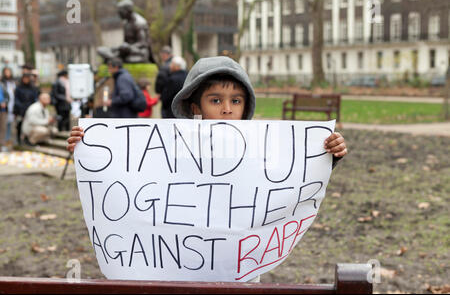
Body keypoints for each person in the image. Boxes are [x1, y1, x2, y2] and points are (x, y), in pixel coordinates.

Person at [66, 56, 348, 281]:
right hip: (174, 273)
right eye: (216, 100)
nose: (227, 109)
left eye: (236, 101)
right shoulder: (168, 149)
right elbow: (129, 182)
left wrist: (324, 156)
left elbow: (287, 182)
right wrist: (88, 150)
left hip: (238, 277)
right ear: (195, 108)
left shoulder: (258, 151)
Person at [13, 73, 40, 145]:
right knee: (19, 124)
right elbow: (16, 99)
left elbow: (35, 98)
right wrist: (21, 106)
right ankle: (18, 139)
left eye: (27, 78)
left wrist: (32, 106)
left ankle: (27, 139)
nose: (26, 80)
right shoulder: (19, 88)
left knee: (29, 125)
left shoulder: (33, 88)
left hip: (30, 110)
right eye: (24, 78)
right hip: (20, 110)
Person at [1, 67, 16, 148]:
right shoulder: (3, 83)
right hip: (4, 107)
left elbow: (10, 95)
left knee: (9, 123)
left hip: (10, 105)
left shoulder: (12, 82)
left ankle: (7, 140)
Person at [0, 79, 7, 152]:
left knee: (3, 128)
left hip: (3, 110)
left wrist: (5, 102)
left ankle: (2, 145)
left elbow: (7, 96)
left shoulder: (2, 85)